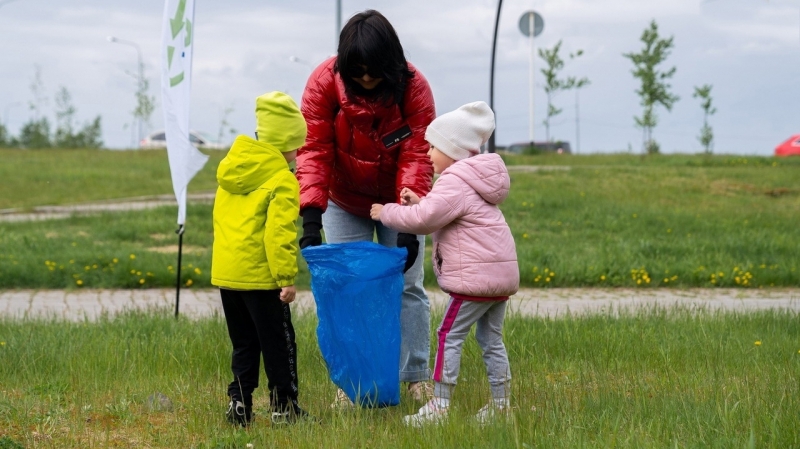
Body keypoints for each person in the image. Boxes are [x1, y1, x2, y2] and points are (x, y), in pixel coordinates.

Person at [295, 9, 436, 406]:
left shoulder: (414, 87)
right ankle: (354, 385)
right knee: (351, 288)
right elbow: (314, 151)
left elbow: (417, 153)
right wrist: (310, 216)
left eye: (375, 72)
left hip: (398, 200)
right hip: (344, 200)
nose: (368, 80)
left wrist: (409, 223)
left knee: (409, 286)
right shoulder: (323, 84)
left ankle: (415, 376)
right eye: (358, 73)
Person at [369, 101, 520, 426]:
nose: (428, 154)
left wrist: (388, 213)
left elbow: (425, 220)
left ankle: (439, 405)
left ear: (452, 150)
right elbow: (448, 212)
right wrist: (422, 201)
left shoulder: (453, 180)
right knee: (492, 339)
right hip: (499, 277)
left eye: (434, 146)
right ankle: (502, 405)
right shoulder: (475, 179)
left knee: (448, 334)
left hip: (473, 280)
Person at [211, 91, 313, 426]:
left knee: (244, 344)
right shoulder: (282, 179)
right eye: (297, 144)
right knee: (279, 344)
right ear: (287, 143)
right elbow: (278, 234)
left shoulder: (232, 170)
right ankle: (284, 407)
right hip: (262, 278)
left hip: (229, 276)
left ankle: (239, 404)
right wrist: (285, 277)